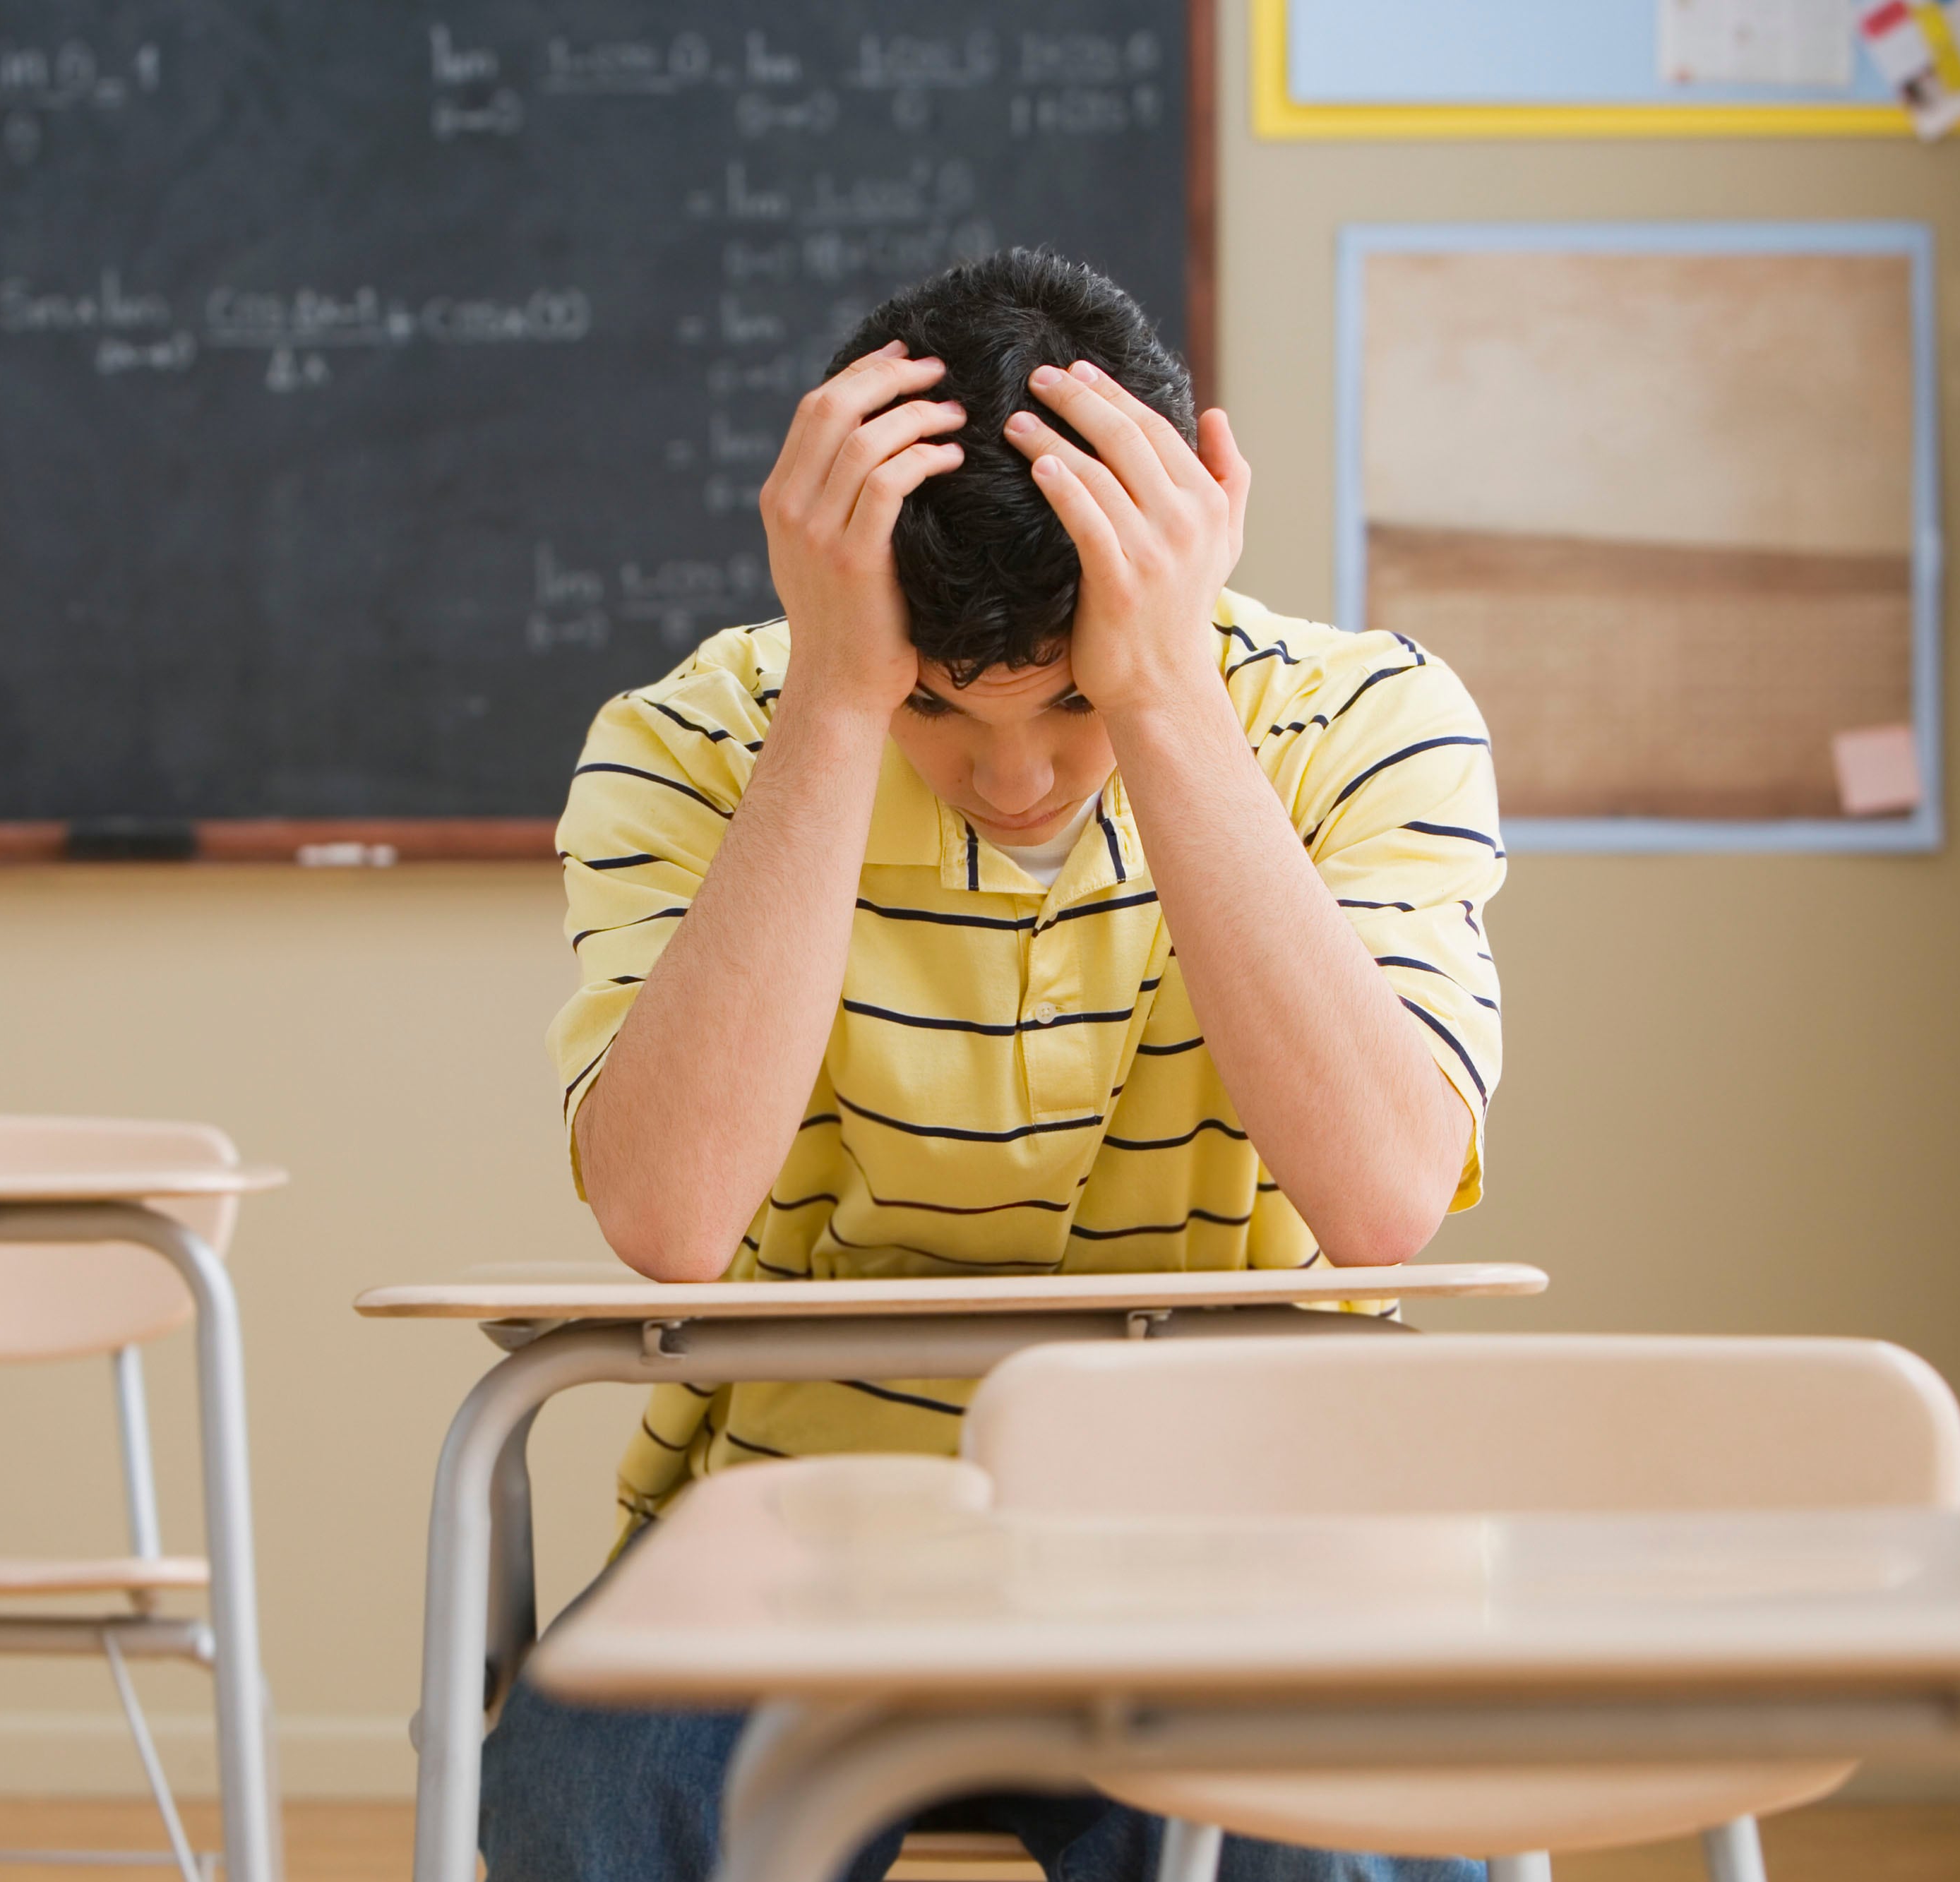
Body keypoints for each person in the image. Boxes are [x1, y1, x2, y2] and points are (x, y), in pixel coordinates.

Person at [489, 250, 1504, 1882]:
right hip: (796, 1532)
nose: (1017, 774)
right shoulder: (691, 741)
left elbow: (1383, 1200)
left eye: (1077, 697)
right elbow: (670, 1222)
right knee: (589, 1798)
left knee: (1340, 1846)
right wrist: (834, 700)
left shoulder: (1361, 721)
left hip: (1238, 1533)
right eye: (942, 710)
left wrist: (1168, 696)